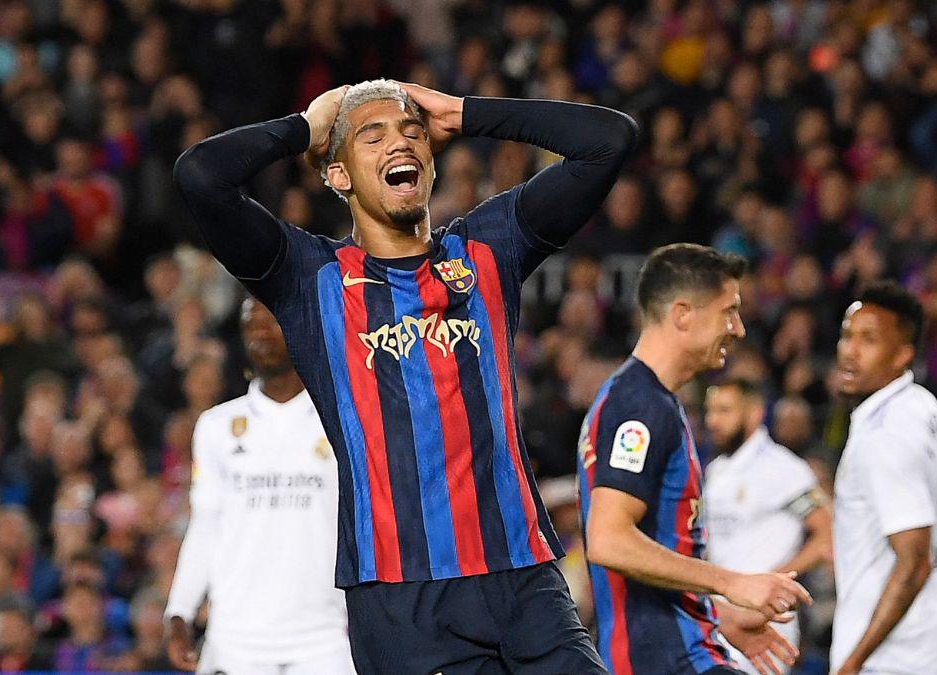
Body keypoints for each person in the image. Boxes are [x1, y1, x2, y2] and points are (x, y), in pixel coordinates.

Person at [175, 79, 637, 672]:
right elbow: (200, 176)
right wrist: (305, 129)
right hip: (402, 601)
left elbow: (608, 140)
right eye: (372, 136)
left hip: (524, 578)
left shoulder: (489, 246)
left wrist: (465, 113)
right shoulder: (308, 277)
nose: (399, 143)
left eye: (412, 132)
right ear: (338, 174)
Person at [578, 244, 811, 675]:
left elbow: (655, 547)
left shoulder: (648, 400)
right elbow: (608, 539)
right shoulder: (639, 406)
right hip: (668, 660)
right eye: (729, 312)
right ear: (683, 314)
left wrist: (717, 613)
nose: (738, 328)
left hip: (677, 651)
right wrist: (732, 582)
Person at [164, 299, 353, 674]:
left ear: (302, 330)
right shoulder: (217, 426)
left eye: (271, 322)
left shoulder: (342, 420)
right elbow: (205, 525)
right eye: (251, 324)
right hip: (234, 640)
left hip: (324, 639)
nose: (260, 333)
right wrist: (180, 611)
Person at [829, 281, 937, 675]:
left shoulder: (886, 433)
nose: (850, 351)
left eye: (869, 340)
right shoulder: (922, 406)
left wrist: (853, 661)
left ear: (903, 354)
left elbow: (913, 562)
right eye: (847, 335)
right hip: (936, 630)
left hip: (899, 650)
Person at [702, 378, 832, 673]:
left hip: (764, 620)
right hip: (720, 615)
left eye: (724, 411)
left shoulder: (783, 469)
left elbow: (826, 532)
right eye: (710, 411)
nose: (713, 421)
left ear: (754, 413)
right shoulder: (717, 469)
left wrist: (776, 580)